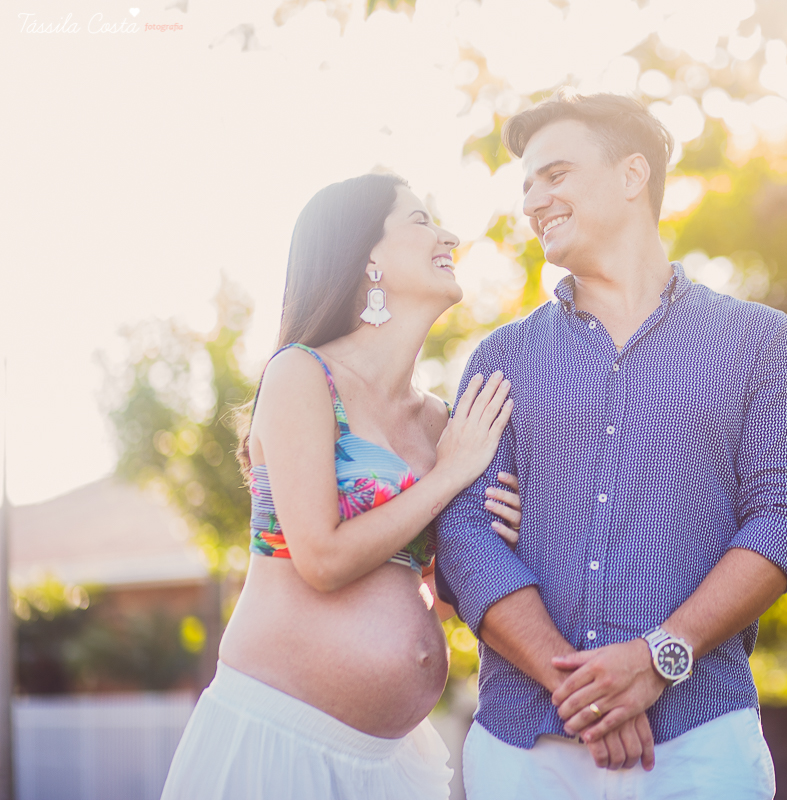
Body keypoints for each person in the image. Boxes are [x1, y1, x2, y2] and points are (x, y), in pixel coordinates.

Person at [435, 92, 787, 799]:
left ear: (632, 176)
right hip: (526, 752)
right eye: (526, 185)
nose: (534, 201)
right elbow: (463, 532)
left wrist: (658, 658)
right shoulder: (501, 358)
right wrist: (582, 688)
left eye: (553, 175)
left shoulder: (762, 344)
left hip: (701, 748)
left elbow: (783, 520)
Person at [161, 173, 521, 800]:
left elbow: (433, 589)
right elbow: (322, 560)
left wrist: (493, 539)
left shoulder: (441, 419)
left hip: (390, 763)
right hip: (280, 743)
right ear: (368, 256)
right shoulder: (302, 374)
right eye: (419, 220)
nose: (450, 235)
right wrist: (450, 476)